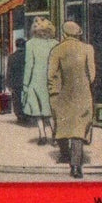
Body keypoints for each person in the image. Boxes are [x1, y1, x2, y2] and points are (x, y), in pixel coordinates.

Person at [48, 21, 97, 179]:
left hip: (62, 93)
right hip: (82, 93)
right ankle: (76, 166)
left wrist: (53, 92)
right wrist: (83, 85)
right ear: (78, 33)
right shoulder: (87, 49)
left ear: (64, 34)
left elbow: (51, 75)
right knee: (79, 128)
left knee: (62, 124)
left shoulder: (57, 50)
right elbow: (92, 74)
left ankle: (64, 154)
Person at [23, 17, 57, 145]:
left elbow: (29, 65)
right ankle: (55, 135)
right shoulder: (55, 43)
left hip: (35, 81)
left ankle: (42, 135)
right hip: (50, 80)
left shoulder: (30, 44)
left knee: (38, 111)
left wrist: (25, 84)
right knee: (50, 111)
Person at [7, 38, 28, 123]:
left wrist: (8, 84)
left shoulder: (11, 57)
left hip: (15, 82)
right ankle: (27, 115)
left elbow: (9, 72)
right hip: (27, 81)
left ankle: (19, 116)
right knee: (27, 99)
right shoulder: (28, 56)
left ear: (16, 45)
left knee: (16, 100)